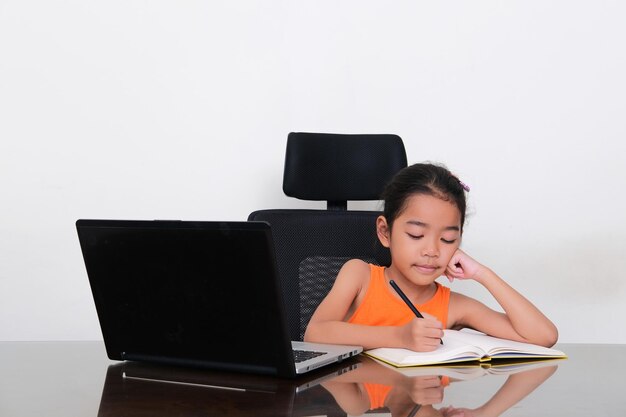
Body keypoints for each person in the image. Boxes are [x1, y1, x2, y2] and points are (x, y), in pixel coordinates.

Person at [304, 163, 558, 351]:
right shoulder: (359, 275)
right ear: (385, 232)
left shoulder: (454, 306)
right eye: (416, 234)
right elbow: (315, 333)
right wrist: (400, 337)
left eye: (448, 240)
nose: (432, 251)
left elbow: (543, 336)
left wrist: (483, 274)